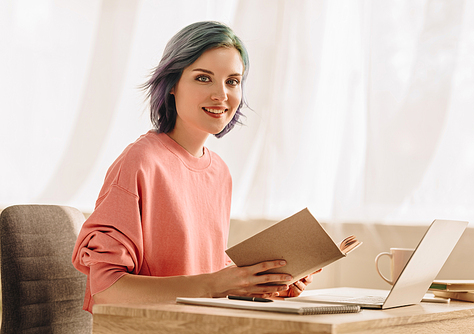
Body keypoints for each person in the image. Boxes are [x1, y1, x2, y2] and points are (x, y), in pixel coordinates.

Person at [72, 21, 317, 313]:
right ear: (173, 83)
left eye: (232, 81)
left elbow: (203, 277)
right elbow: (107, 291)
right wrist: (215, 284)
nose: (221, 95)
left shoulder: (219, 172)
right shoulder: (140, 162)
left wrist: (260, 286)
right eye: (203, 78)